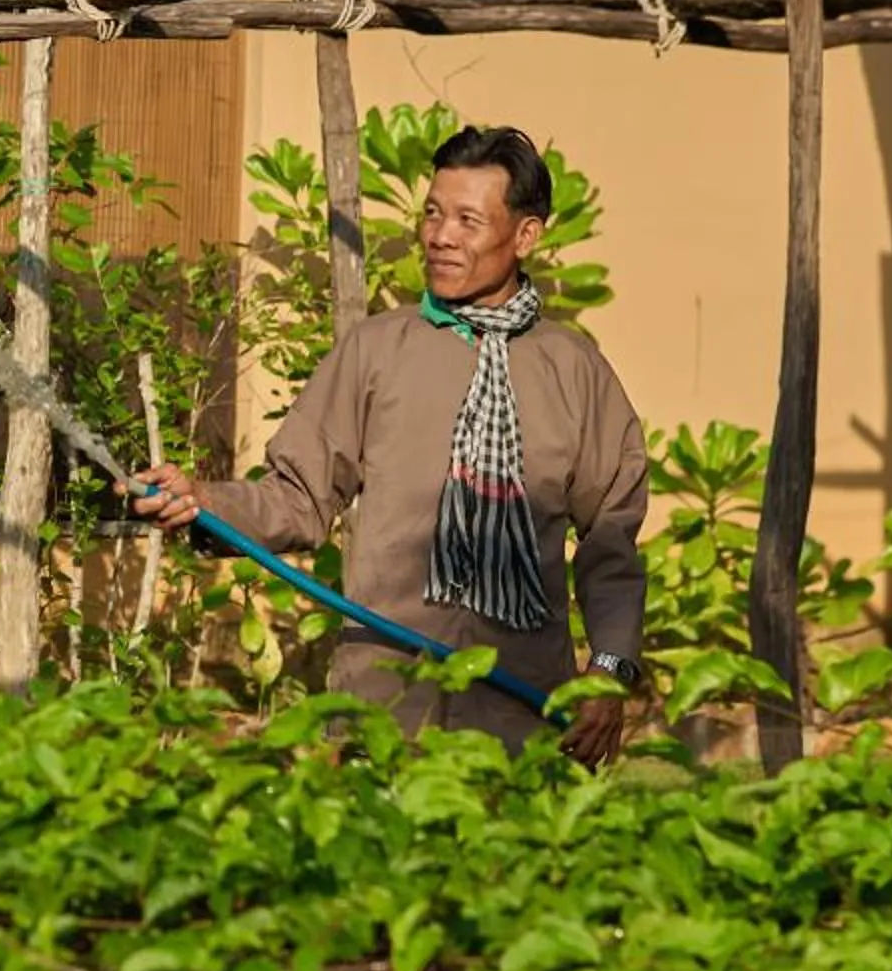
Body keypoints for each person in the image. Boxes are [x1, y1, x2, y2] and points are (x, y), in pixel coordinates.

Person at [133, 125, 649, 763]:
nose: (440, 236)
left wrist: (608, 669)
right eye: (432, 213)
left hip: (523, 720)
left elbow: (611, 542)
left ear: (526, 235)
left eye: (467, 219)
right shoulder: (374, 352)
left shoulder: (574, 370)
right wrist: (205, 500)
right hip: (384, 716)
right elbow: (297, 500)